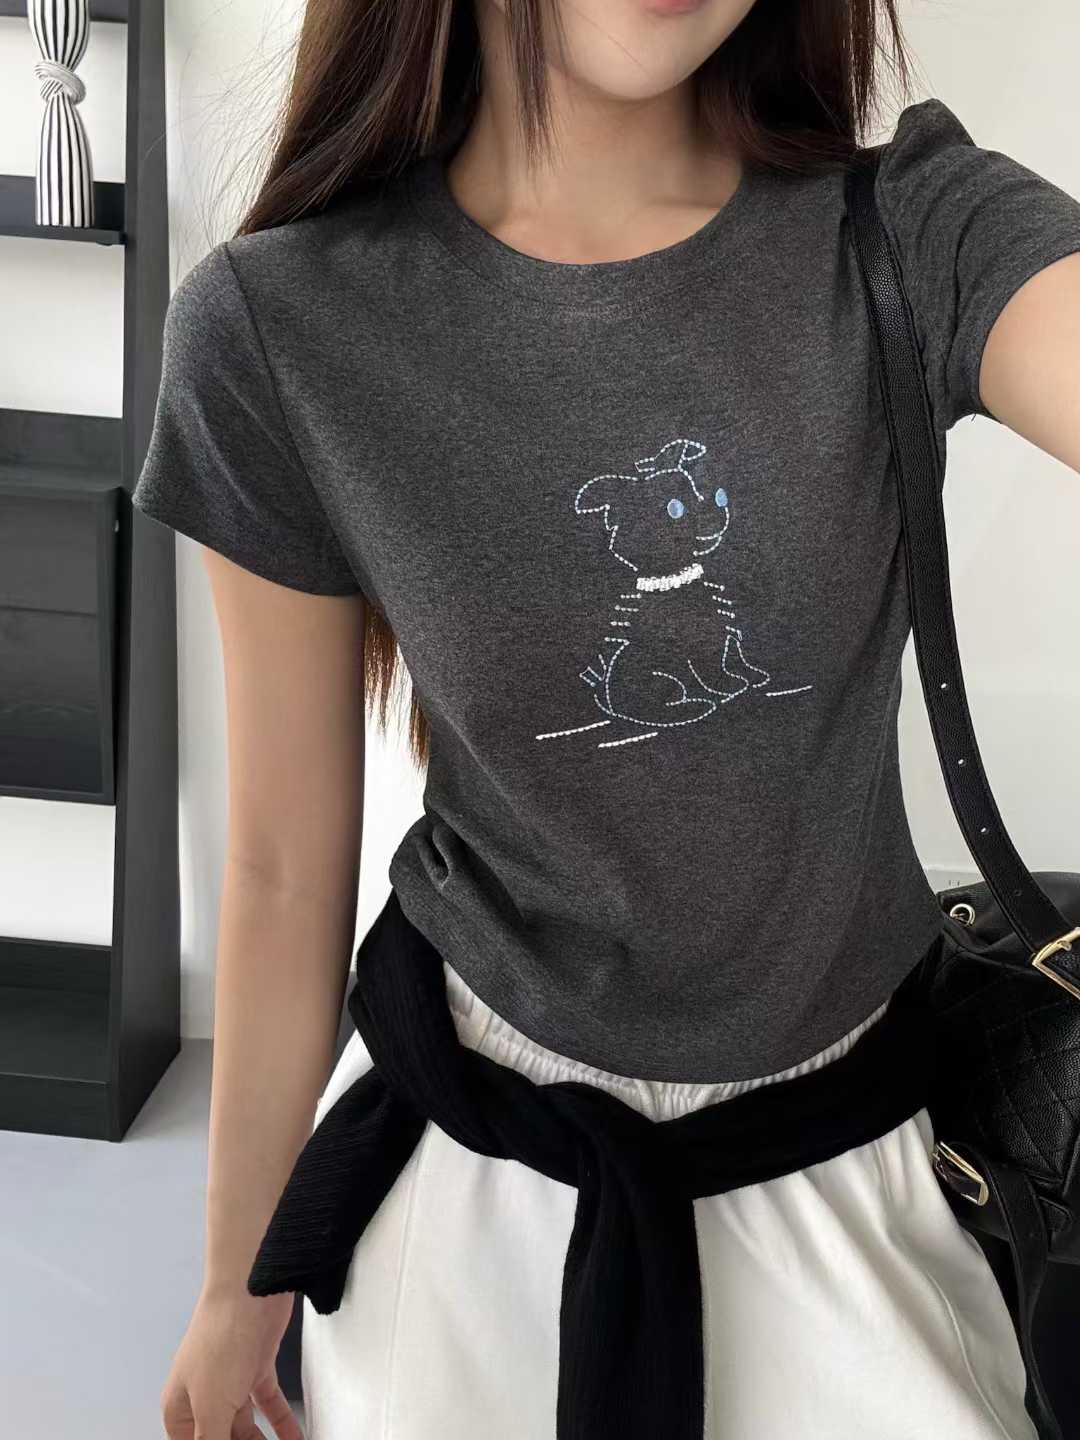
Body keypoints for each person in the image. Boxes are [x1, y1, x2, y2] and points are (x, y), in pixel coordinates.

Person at [134, 1, 1080, 1437]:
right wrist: (233, 1278)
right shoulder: (277, 327)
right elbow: (277, 868)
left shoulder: (910, 235)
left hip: (862, 1166)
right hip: (466, 1190)